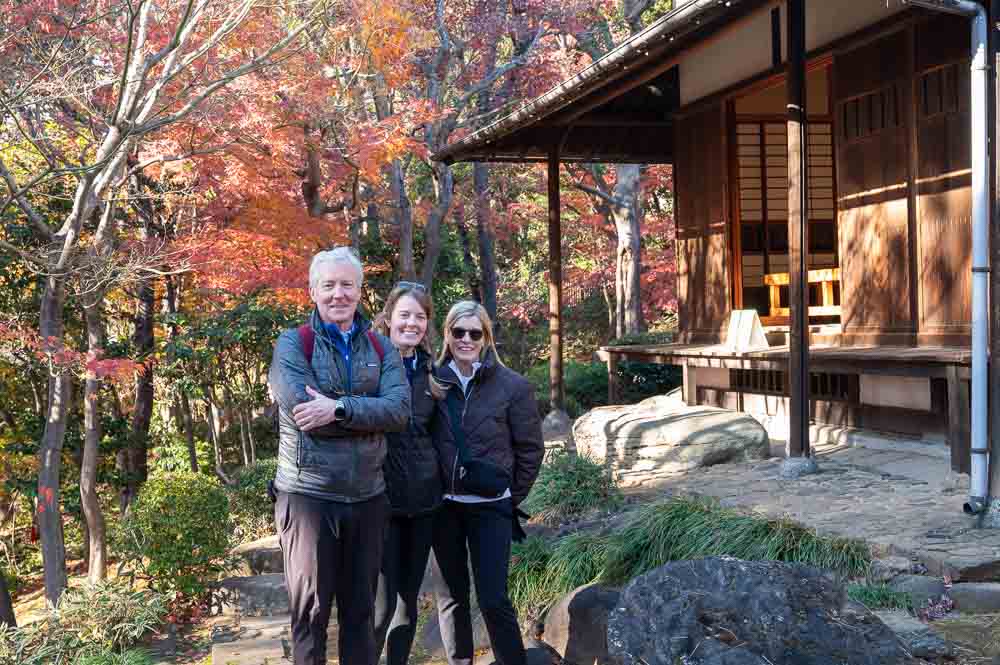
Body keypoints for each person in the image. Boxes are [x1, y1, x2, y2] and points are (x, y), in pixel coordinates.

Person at [267, 247, 410, 665]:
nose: (338, 294)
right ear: (313, 291)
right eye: (328, 285)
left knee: (360, 614)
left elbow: (399, 411)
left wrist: (339, 408)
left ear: (360, 290)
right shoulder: (294, 344)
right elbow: (301, 411)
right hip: (308, 496)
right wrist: (366, 412)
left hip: (367, 496)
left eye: (347, 284)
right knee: (309, 613)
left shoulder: (381, 348)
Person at [429, 301, 544, 665]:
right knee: (451, 597)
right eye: (458, 331)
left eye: (474, 333)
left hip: (491, 508)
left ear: (486, 338)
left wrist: (509, 496)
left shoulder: (513, 386)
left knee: (493, 597)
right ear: (447, 334)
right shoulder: (430, 382)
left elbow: (530, 449)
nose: (465, 339)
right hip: (443, 507)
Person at [372, 281, 444, 665]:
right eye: (404, 315)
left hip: (424, 503)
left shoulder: (433, 374)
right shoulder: (370, 367)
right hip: (380, 503)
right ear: (388, 318)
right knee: (380, 608)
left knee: (406, 604)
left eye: (420, 316)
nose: (412, 323)